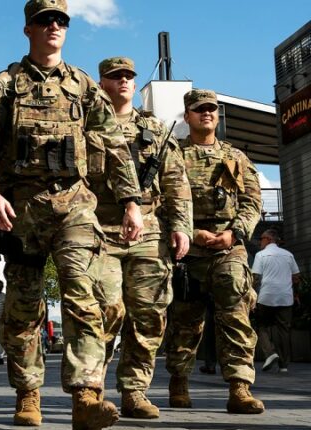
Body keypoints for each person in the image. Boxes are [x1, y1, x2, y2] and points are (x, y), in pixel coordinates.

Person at [0, 1, 143, 427]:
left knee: (85, 297)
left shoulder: (83, 85)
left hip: (74, 204)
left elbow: (115, 145)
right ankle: (28, 395)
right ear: (28, 29)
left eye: (61, 20)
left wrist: (131, 202)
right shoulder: (5, 85)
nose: (53, 26)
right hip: (22, 209)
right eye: (44, 20)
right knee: (23, 306)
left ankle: (85, 396)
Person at [93, 56, 193, 420]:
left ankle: (134, 392)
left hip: (149, 231)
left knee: (148, 314)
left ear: (135, 85)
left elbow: (176, 181)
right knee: (105, 310)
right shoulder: (87, 123)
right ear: (101, 83)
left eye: (128, 76)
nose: (123, 81)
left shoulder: (153, 129)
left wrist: (181, 227)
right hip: (100, 229)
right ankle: (92, 391)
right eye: (114, 76)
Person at [163, 89, 265, 414]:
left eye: (211, 109)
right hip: (187, 250)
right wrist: (191, 233)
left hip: (228, 247)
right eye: (199, 109)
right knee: (185, 321)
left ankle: (239, 387)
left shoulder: (235, 157)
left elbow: (252, 201)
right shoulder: (173, 155)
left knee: (235, 312)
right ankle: (179, 380)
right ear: (187, 116)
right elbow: (160, 202)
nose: (206, 113)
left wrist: (235, 233)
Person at [252, 229, 300, 373]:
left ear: (268, 239)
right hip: (286, 297)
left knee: (261, 326)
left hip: (266, 297)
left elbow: (255, 278)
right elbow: (296, 277)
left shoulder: (260, 255)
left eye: (261, 239)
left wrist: (252, 295)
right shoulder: (288, 255)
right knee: (283, 330)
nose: (260, 242)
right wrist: (296, 294)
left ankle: (270, 352)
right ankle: (283, 366)